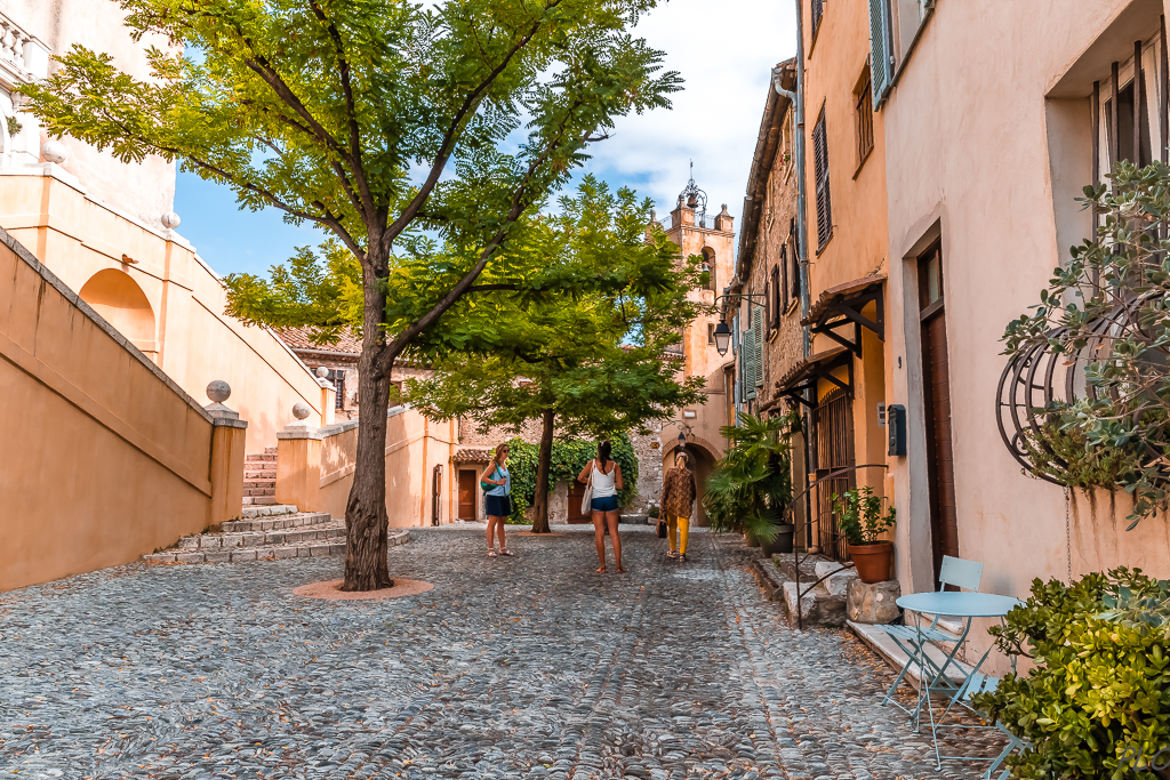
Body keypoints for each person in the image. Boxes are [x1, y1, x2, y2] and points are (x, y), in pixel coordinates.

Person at [577, 440, 624, 573]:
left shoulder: (591, 464)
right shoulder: (615, 466)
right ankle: (619, 566)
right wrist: (609, 484)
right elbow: (620, 486)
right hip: (611, 500)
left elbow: (580, 478)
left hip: (597, 499)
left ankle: (602, 567)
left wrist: (592, 481)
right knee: (614, 533)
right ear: (610, 451)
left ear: (599, 450)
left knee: (599, 532)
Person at [659, 450, 698, 562]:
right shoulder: (689, 474)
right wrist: (689, 500)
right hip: (684, 506)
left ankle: (672, 551)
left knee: (672, 527)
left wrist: (663, 503)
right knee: (684, 529)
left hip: (671, 504)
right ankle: (682, 554)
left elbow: (665, 489)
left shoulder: (670, 472)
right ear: (687, 460)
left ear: (676, 460)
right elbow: (694, 491)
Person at [480, 443, 514, 558]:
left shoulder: (504, 464)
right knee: (492, 523)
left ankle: (503, 548)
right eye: (505, 451)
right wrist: (497, 482)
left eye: (508, 450)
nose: (507, 453)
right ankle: (490, 549)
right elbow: (483, 478)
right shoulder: (493, 465)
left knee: (502, 523)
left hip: (504, 497)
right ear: (499, 452)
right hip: (494, 497)